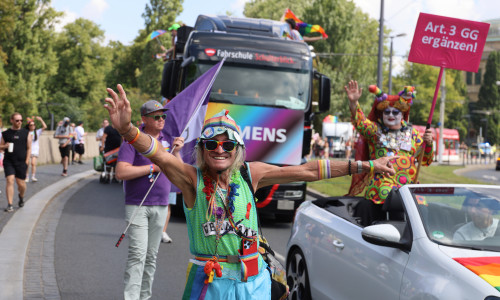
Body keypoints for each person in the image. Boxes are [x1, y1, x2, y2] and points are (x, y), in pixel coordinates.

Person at [104, 84, 397, 299]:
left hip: (254, 283)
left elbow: (309, 170)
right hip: (209, 284)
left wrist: (366, 165)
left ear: (238, 150)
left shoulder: (250, 173)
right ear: (202, 150)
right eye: (211, 144)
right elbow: (160, 155)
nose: (220, 150)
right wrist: (129, 130)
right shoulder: (192, 180)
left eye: (228, 144)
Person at [115, 99, 184, 300]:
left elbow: (181, 176)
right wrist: (153, 167)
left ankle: (144, 297)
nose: (161, 119)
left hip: (161, 206)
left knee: (151, 257)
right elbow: (121, 172)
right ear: (144, 119)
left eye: (163, 116)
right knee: (138, 255)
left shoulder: (168, 140)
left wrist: (176, 153)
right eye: (157, 116)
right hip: (137, 205)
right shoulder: (132, 140)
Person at [345, 80, 434, 226]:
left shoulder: (415, 135)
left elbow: (425, 160)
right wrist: (354, 103)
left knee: (423, 212)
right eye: (387, 112)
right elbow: (360, 122)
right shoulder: (375, 131)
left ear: (403, 113)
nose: (391, 114)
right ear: (381, 114)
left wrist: (429, 143)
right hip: (380, 191)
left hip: (407, 190)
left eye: (395, 112)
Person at [0, 113, 31, 212]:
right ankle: (10, 204)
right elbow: (0, 146)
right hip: (9, 161)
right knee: (10, 180)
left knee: (21, 184)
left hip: (21, 162)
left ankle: (21, 196)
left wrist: (26, 161)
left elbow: (29, 148)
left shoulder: (26, 133)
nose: (19, 122)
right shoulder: (6, 133)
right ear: (12, 120)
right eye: (17, 120)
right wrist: (4, 147)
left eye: (21, 120)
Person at [25, 116, 47, 182]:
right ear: (28, 126)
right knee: (27, 164)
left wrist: (41, 120)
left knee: (33, 163)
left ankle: (33, 176)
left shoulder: (37, 132)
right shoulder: (26, 132)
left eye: (34, 125)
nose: (33, 126)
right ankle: (26, 177)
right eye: (31, 125)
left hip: (34, 150)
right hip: (27, 149)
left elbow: (45, 127)